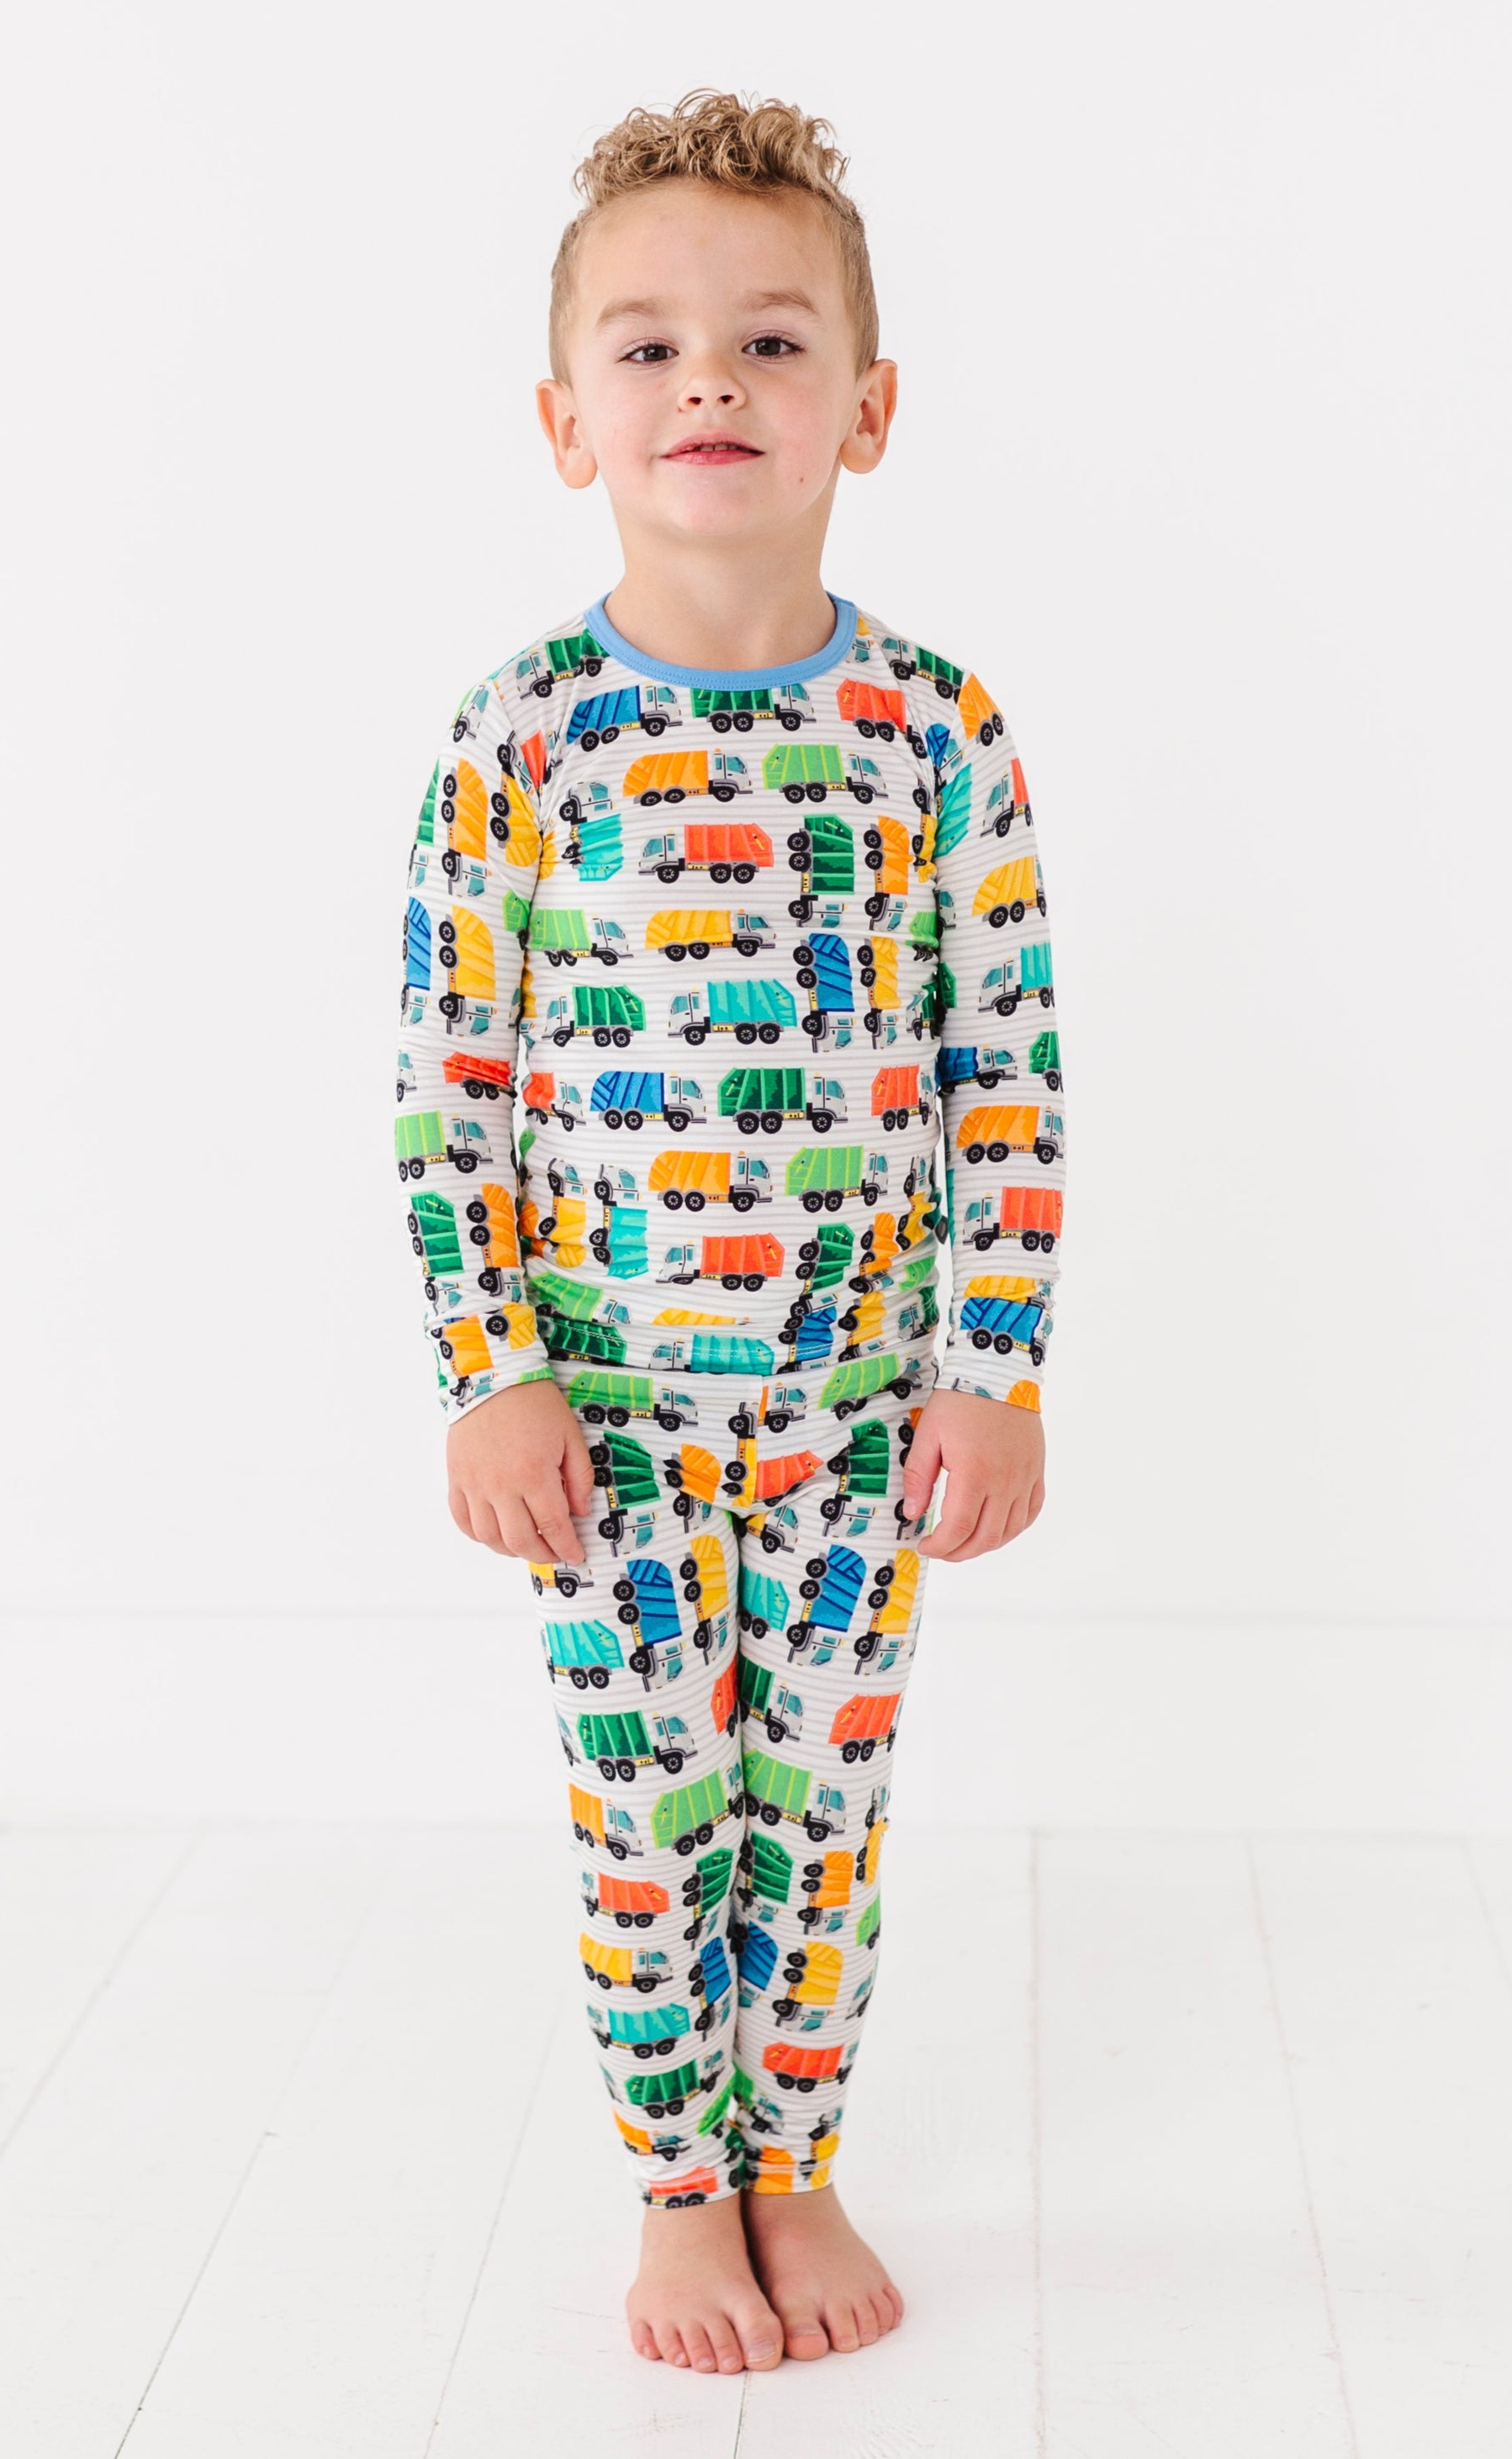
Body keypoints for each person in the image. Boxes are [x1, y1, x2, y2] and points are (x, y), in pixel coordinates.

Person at [392, 87, 1065, 2378]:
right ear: (564, 416)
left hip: (859, 1411)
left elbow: (1005, 1071)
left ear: (864, 410)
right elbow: (451, 1086)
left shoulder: (935, 731)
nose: (713, 383)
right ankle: (681, 2187)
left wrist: (992, 1364)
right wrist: (489, 1366)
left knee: (826, 1813)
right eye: (653, 345)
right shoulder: (519, 738)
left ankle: (798, 2154)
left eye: (774, 342)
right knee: (650, 1817)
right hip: (605, 1422)